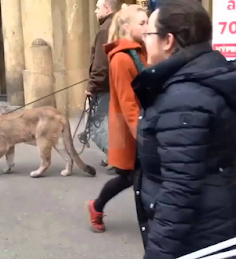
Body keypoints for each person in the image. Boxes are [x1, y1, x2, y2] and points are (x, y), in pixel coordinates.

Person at [132, 0, 236, 257]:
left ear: (168, 41)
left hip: (197, 236)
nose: (144, 41)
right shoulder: (203, 77)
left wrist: (157, 254)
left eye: (149, 34)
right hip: (216, 219)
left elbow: (179, 190)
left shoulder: (183, 96)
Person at [85, 4, 148, 233]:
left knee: (137, 178)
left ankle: (152, 223)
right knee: (129, 177)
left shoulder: (141, 51)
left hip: (141, 125)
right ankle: (97, 205)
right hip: (130, 129)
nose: (148, 26)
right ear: (126, 27)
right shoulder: (122, 58)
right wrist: (143, 135)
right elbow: (127, 102)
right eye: (142, 23)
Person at [85, 0, 116, 169]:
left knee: (93, 124)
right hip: (114, 84)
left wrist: (91, 86)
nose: (95, 11)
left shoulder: (105, 30)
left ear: (106, 8)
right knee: (113, 123)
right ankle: (116, 156)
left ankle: (115, 157)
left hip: (104, 86)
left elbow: (101, 64)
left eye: (97, 8)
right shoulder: (116, 25)